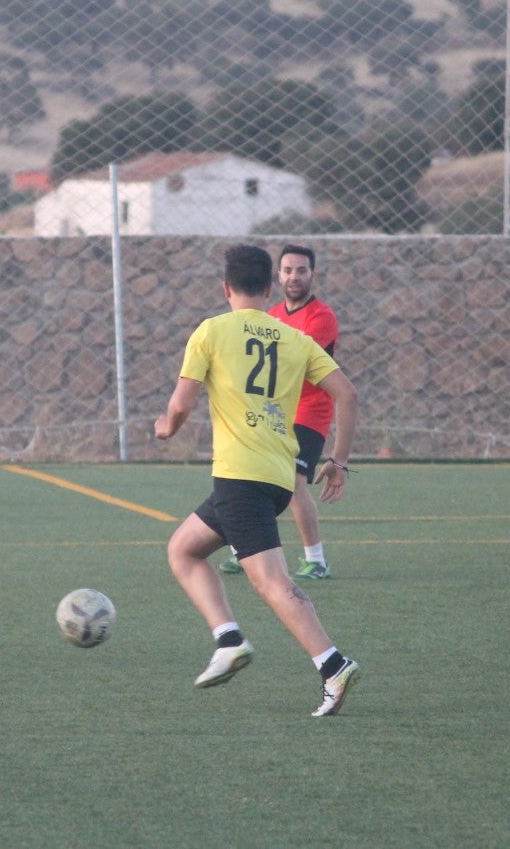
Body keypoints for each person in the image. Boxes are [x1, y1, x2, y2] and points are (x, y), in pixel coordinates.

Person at [154, 244, 360, 717]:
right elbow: (347, 395)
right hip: (276, 478)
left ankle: (333, 664)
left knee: (271, 583)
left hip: (240, 477)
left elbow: (181, 405)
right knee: (184, 549)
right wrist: (339, 461)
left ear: (226, 288)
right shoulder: (294, 338)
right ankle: (228, 639)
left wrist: (167, 427)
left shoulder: (210, 331)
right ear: (269, 288)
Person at [220, 244, 339, 579]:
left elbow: (292, 362)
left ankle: (316, 560)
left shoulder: (321, 317)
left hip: (310, 411)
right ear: (278, 276)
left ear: (312, 274)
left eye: (301, 270)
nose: (294, 277)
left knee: (294, 480)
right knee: (248, 472)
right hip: (275, 410)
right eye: (287, 270)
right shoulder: (270, 315)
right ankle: (242, 550)